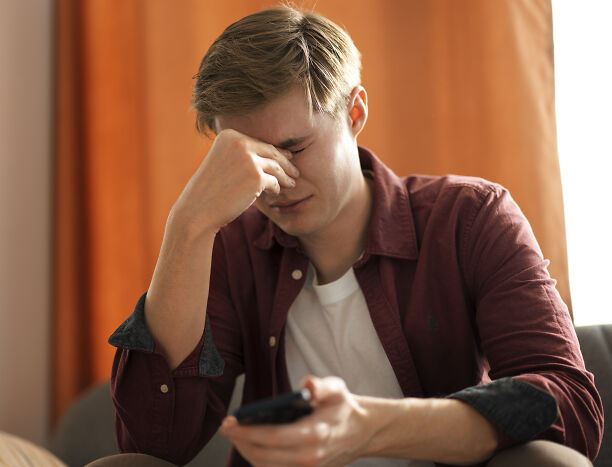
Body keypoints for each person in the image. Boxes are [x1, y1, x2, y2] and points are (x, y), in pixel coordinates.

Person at [107, 6, 602, 467]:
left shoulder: (469, 219)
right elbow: (154, 443)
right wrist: (187, 225)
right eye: (249, 159)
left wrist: (368, 427)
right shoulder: (229, 248)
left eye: (294, 148)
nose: (277, 181)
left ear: (354, 113)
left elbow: (568, 405)